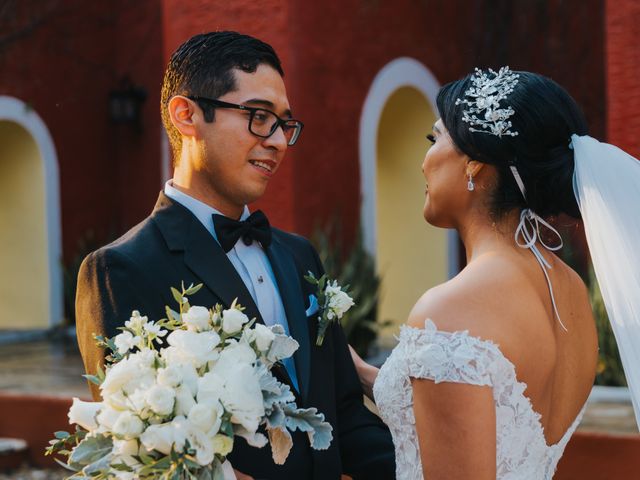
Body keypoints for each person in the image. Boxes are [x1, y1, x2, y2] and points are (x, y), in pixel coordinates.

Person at [76, 31, 395, 480]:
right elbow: (138, 449)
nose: (279, 142)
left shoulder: (299, 255)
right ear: (186, 115)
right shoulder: (120, 269)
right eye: (259, 117)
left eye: (285, 124)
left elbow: (344, 412)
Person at [350, 66, 640, 479]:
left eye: (434, 139)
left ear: (474, 163)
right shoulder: (569, 291)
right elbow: (486, 413)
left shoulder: (451, 310)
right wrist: (363, 374)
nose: (423, 163)